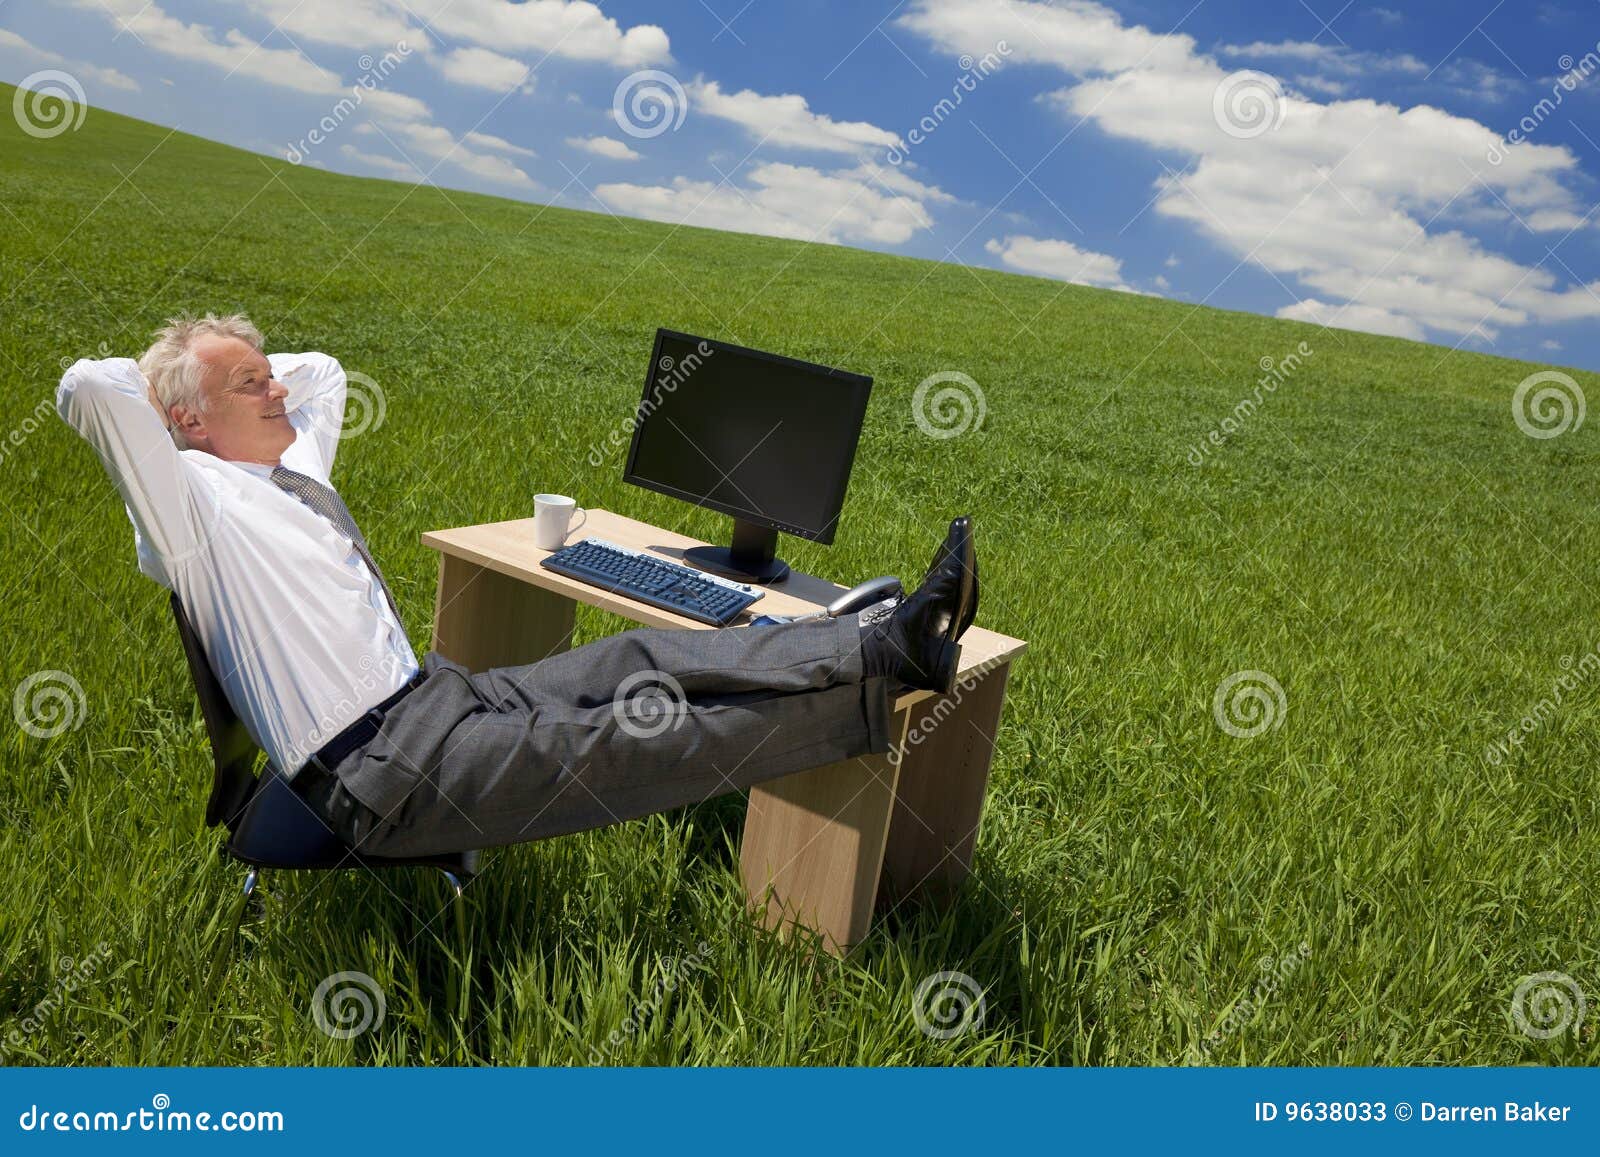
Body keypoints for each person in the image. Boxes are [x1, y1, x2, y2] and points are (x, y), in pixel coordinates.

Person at [57, 313, 980, 859]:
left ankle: (881, 640)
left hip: (434, 698)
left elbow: (326, 373)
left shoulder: (292, 467)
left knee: (641, 652)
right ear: (184, 419)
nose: (278, 394)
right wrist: (185, 385)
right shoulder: (189, 507)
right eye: (251, 386)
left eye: (269, 379)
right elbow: (88, 387)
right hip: (374, 774)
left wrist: (235, 371)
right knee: (644, 735)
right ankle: (877, 688)